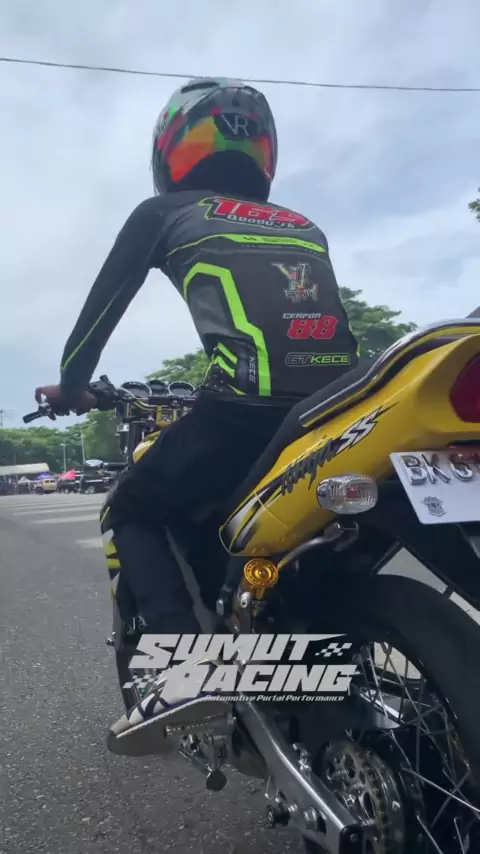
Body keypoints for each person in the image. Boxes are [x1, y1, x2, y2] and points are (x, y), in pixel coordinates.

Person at [35, 77, 359, 752]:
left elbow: (97, 317)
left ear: (173, 148)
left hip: (243, 412)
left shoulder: (166, 212)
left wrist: (72, 386)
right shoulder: (305, 225)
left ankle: (184, 669)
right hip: (333, 413)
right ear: (264, 149)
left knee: (130, 507)